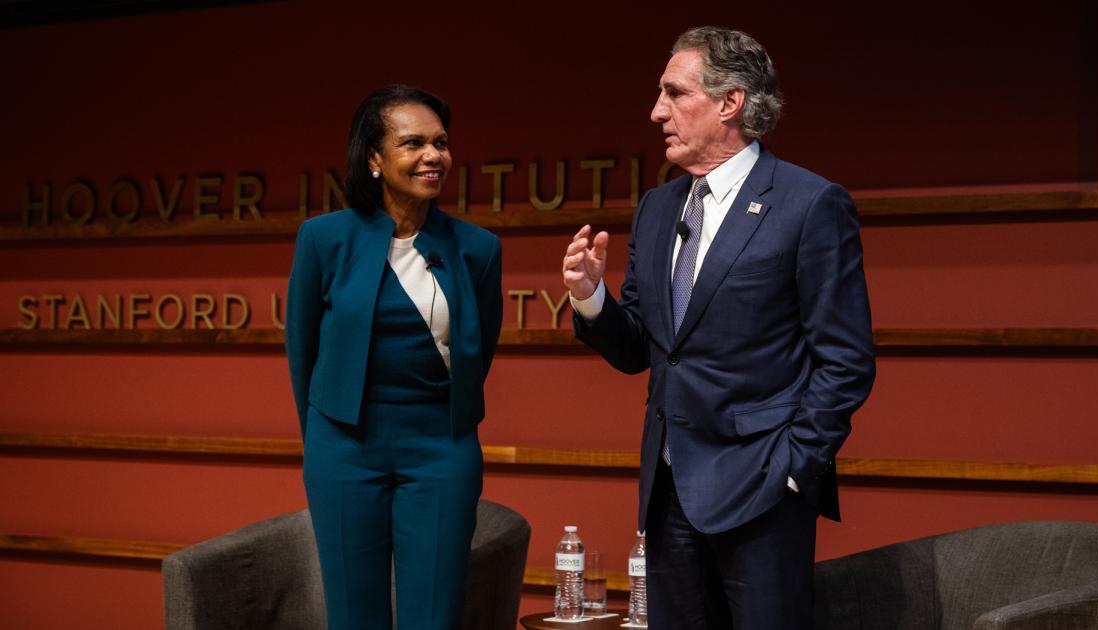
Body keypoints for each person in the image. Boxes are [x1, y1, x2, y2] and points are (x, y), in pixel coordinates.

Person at [562, 27, 875, 629]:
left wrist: (794, 467)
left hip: (763, 489)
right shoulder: (658, 207)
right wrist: (589, 297)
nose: (657, 111)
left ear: (730, 102)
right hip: (668, 489)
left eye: (675, 94)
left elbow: (845, 359)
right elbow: (643, 353)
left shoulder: (809, 204)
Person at [286, 84, 502, 630]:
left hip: (440, 448)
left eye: (441, 143)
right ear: (376, 159)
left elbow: (479, 351)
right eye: (413, 144)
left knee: (434, 613)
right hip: (343, 446)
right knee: (354, 615)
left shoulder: (478, 248)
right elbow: (302, 351)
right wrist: (322, 441)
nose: (433, 156)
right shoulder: (323, 239)